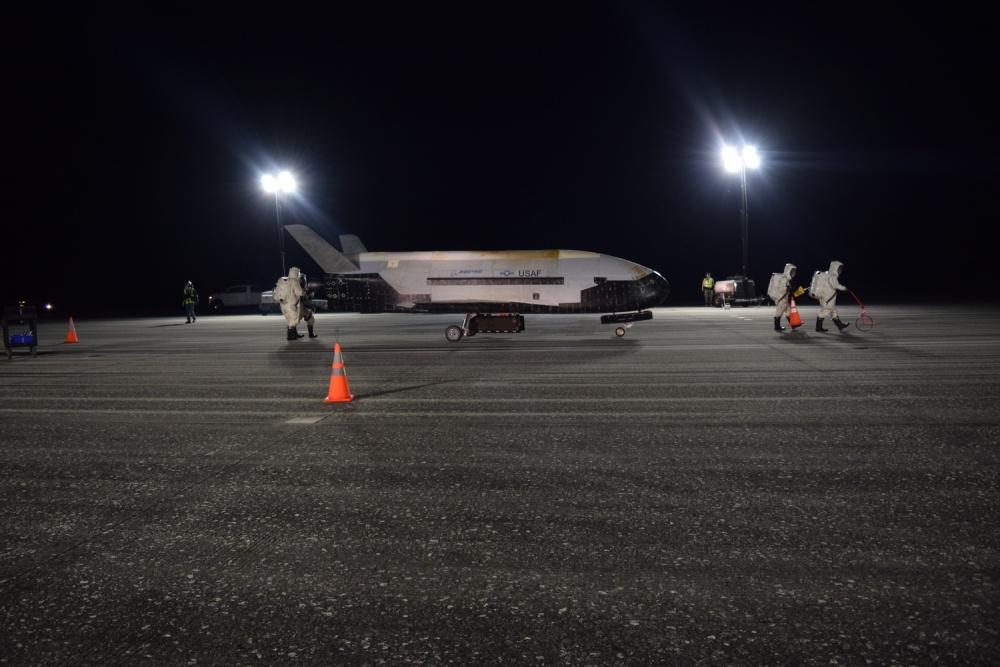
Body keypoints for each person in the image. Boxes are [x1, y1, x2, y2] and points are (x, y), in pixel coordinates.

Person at [274, 266, 318, 340]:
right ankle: (291, 336)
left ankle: (294, 334)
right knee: (294, 320)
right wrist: (305, 293)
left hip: (284, 304)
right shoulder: (294, 281)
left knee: (292, 319)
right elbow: (299, 293)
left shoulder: (283, 281)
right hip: (292, 304)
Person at [811, 260, 849, 332]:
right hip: (828, 298)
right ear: (835, 268)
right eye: (839, 268)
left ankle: (840, 325)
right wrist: (844, 288)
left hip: (828, 297)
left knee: (833, 311)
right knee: (826, 311)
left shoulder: (828, 275)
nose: (840, 270)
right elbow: (836, 285)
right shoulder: (832, 276)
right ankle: (818, 327)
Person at [766, 263, 799, 331]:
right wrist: (789, 289)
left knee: (788, 309)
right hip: (781, 297)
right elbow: (782, 288)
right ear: (788, 271)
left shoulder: (784, 278)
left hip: (783, 297)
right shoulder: (784, 279)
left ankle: (792, 324)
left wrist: (790, 289)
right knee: (780, 310)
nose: (793, 273)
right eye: (792, 271)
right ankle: (777, 326)